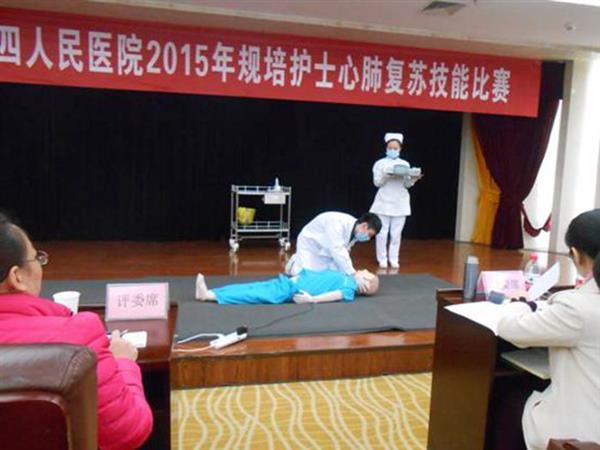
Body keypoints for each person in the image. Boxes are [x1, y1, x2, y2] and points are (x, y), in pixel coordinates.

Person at [0, 213, 153, 450]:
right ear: (17, 277)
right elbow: (128, 432)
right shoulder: (76, 337)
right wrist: (123, 363)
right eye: (36, 258)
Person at [497, 208, 600, 449]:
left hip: (584, 434)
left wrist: (522, 303)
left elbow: (510, 329)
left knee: (508, 400)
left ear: (576, 255)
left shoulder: (577, 308)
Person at [285, 211, 382, 292]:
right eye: (369, 235)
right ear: (364, 226)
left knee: (328, 275)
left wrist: (348, 273)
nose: (368, 238)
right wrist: (353, 274)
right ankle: (294, 264)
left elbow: (344, 251)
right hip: (310, 243)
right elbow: (337, 250)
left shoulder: (355, 232)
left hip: (327, 248)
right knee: (304, 277)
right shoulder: (338, 222)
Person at [369, 132, 422, 269]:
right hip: (383, 202)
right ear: (386, 148)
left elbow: (407, 184)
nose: (392, 150)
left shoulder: (404, 164)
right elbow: (377, 183)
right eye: (390, 148)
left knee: (396, 234)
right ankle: (382, 258)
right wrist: (386, 175)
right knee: (382, 233)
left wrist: (414, 178)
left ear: (400, 149)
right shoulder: (379, 163)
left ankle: (394, 258)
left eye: (395, 148)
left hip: (400, 203)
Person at [195, 268, 379, 304]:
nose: (363, 270)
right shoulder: (346, 276)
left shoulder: (348, 289)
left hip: (290, 289)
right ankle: (211, 292)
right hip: (290, 281)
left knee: (253, 294)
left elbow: (334, 295)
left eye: (366, 272)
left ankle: (209, 296)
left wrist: (312, 299)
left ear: (365, 283)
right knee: (251, 286)